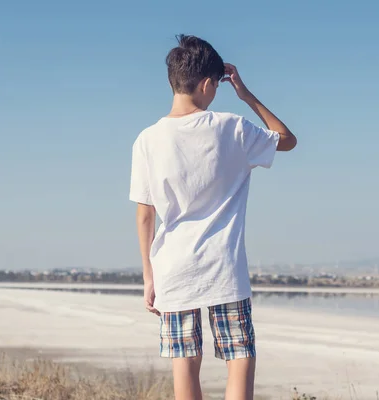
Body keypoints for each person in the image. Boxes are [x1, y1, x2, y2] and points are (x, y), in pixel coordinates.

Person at [129, 34, 297, 400]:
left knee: (185, 363)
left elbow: (145, 216)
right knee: (238, 356)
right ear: (209, 84)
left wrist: (149, 277)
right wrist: (246, 95)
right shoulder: (233, 127)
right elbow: (286, 139)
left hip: (172, 268)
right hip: (224, 267)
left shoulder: (146, 140)